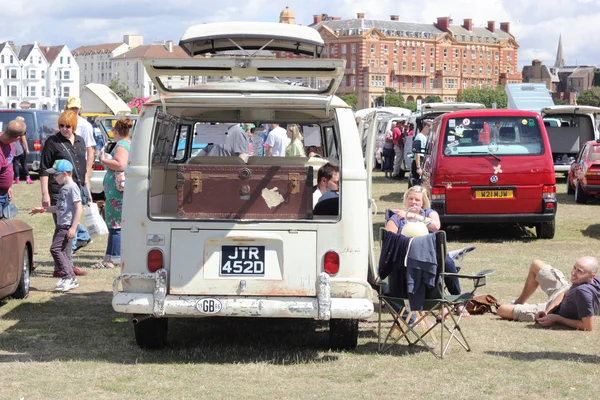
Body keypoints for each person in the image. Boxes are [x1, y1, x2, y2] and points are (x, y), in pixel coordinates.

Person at [385, 185, 475, 308]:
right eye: (410, 198)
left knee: (448, 264)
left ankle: (458, 302)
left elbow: (436, 226)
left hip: (432, 255)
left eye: (417, 200)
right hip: (406, 257)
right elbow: (389, 238)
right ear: (406, 200)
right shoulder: (398, 217)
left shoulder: (429, 213)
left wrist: (414, 216)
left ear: (423, 202)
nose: (413, 202)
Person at [39, 110, 88, 276]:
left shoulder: (80, 141)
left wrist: (86, 187)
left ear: (74, 126)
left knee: (65, 229)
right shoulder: (53, 142)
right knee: (65, 228)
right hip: (58, 190)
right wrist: (45, 193)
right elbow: (44, 168)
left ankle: (62, 265)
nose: (64, 129)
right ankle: (64, 267)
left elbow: (83, 166)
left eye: (68, 126)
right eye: (61, 126)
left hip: (76, 188)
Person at [497, 257, 600, 331]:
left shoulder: (583, 292)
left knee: (502, 309)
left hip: (557, 312)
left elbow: (588, 326)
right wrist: (547, 312)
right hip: (561, 292)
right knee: (536, 264)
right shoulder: (594, 280)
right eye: (574, 268)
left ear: (591, 276)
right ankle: (519, 302)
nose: (573, 273)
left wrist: (556, 318)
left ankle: (519, 306)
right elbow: (565, 292)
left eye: (580, 271)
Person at [29, 159, 82, 292]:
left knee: (55, 249)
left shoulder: (72, 188)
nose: (53, 177)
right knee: (61, 251)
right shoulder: (64, 188)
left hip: (66, 226)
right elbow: (59, 208)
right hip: (61, 225)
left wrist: (73, 227)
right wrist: (42, 209)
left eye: (55, 174)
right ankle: (71, 277)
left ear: (64, 173)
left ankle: (67, 276)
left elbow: (79, 208)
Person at [93, 117, 133, 269]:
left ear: (116, 131)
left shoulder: (121, 145)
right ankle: (109, 256)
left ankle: (114, 258)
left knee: (115, 224)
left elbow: (120, 164)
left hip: (117, 192)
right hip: (117, 190)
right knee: (113, 224)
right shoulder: (128, 143)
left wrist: (104, 160)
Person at [65, 96, 95, 252]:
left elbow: (90, 150)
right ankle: (82, 235)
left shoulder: (85, 125)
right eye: (71, 108)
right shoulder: (63, 122)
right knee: (67, 206)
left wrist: (86, 174)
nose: (74, 111)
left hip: (78, 170)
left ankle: (76, 239)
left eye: (76, 109)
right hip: (65, 169)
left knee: (72, 206)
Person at [0, 118, 27, 211]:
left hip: (4, 195)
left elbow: (8, 165)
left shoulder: (10, 144)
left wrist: (8, 187)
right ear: (17, 138)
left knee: (6, 224)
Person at [12, 118, 33, 184]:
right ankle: (28, 178)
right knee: (24, 163)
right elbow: (24, 140)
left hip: (14, 148)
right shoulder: (21, 130)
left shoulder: (13, 129)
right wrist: (27, 149)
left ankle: (17, 179)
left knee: (15, 164)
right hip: (20, 149)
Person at [414, 119, 432, 184]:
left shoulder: (424, 137)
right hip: (419, 160)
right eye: (430, 127)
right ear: (426, 126)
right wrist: (418, 167)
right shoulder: (420, 137)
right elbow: (417, 153)